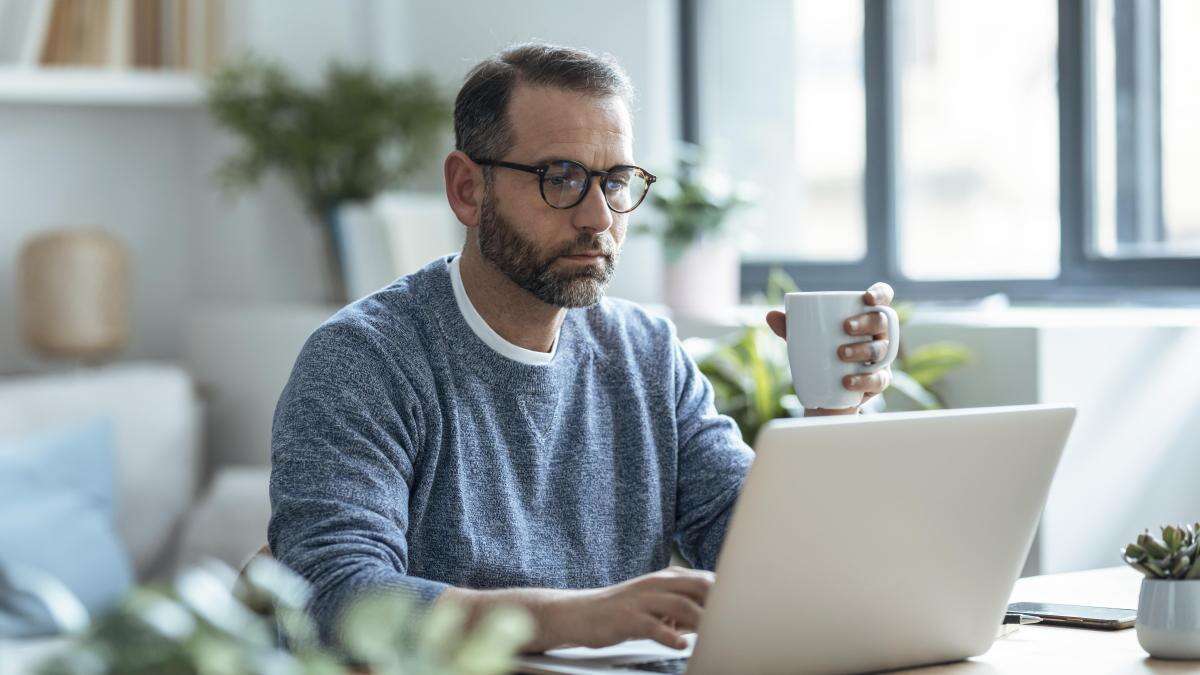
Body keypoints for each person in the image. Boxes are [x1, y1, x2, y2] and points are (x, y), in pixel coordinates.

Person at [267, 42, 894, 654]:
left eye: (616, 181)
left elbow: (759, 552)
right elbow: (335, 595)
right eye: (560, 178)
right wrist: (573, 617)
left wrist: (832, 410)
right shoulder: (364, 360)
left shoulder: (647, 353)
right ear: (467, 189)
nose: (598, 217)